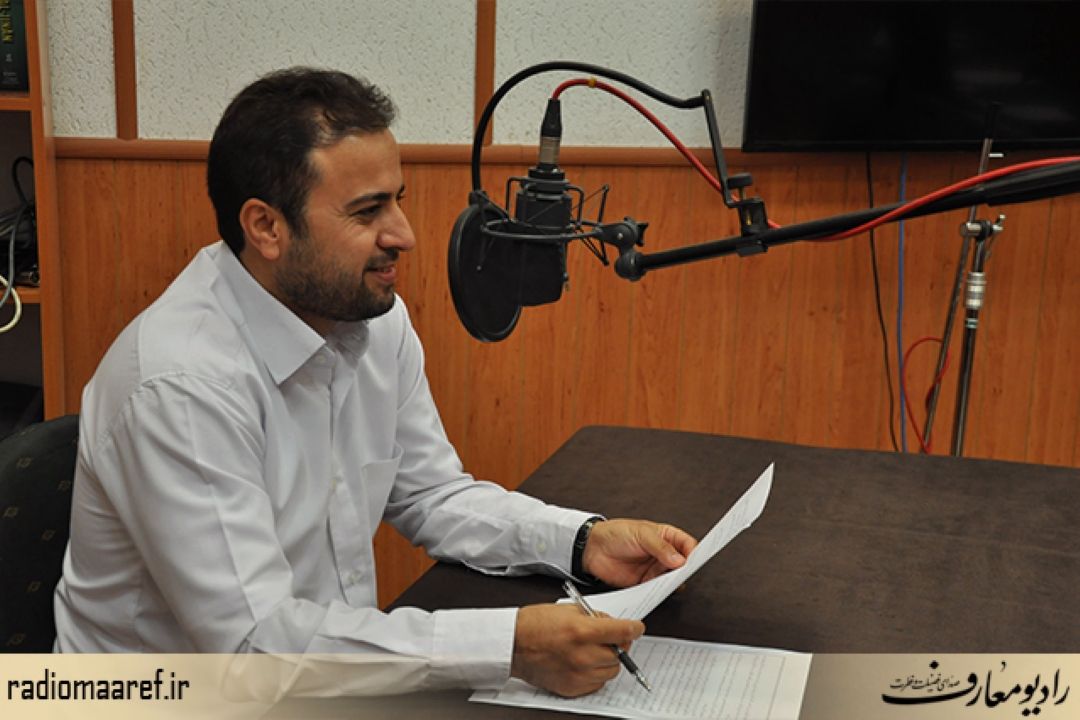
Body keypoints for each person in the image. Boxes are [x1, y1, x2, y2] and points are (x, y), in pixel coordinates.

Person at [53, 67, 697, 698]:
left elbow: (430, 494)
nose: (404, 235)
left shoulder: (371, 318)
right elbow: (256, 646)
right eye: (367, 212)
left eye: (398, 200)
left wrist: (583, 542)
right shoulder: (181, 385)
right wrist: (510, 647)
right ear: (266, 227)